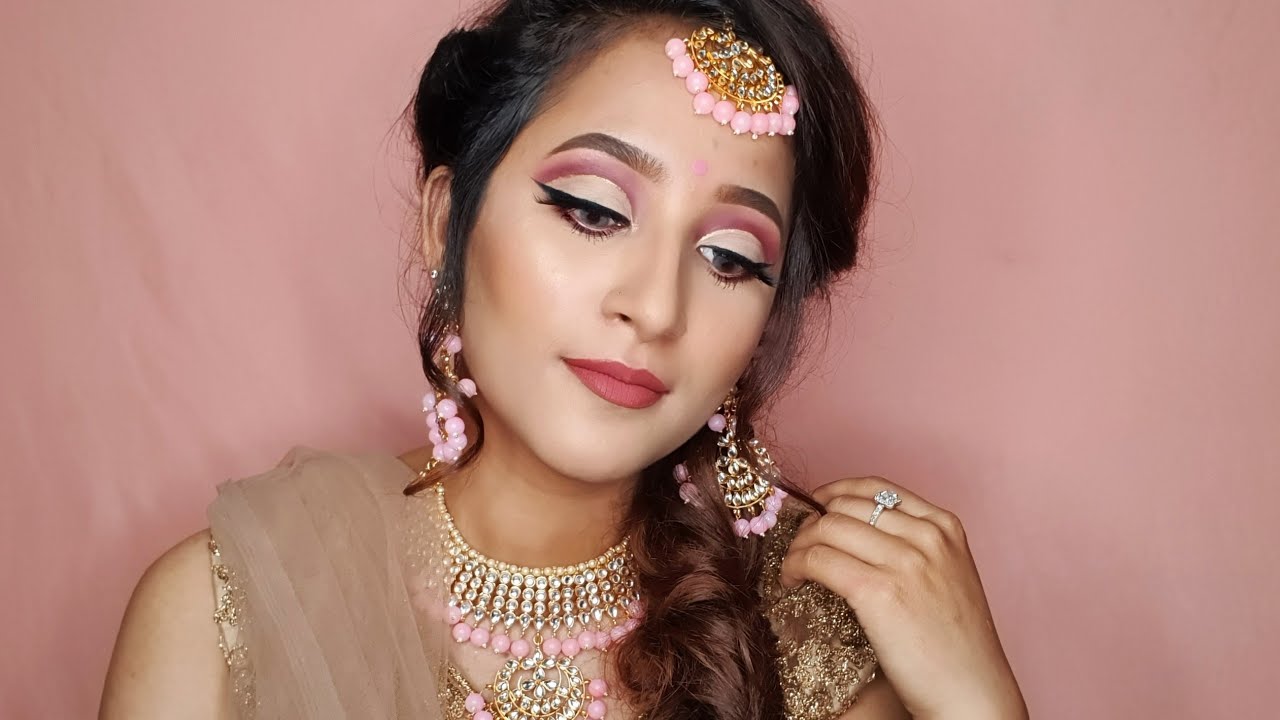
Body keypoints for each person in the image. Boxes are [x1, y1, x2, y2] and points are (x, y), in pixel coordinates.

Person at [101, 0, 1027, 718]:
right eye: (593, 210)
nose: (654, 308)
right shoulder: (226, 612)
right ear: (445, 223)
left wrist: (978, 701)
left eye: (730, 259)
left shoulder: (806, 625)